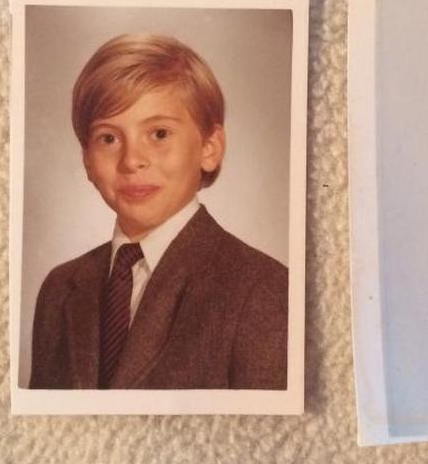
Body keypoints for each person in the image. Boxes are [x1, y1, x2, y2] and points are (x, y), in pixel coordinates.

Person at [29, 33, 288, 390]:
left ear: (209, 148)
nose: (132, 159)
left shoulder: (263, 290)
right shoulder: (60, 289)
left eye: (159, 133)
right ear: (87, 161)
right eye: (108, 138)